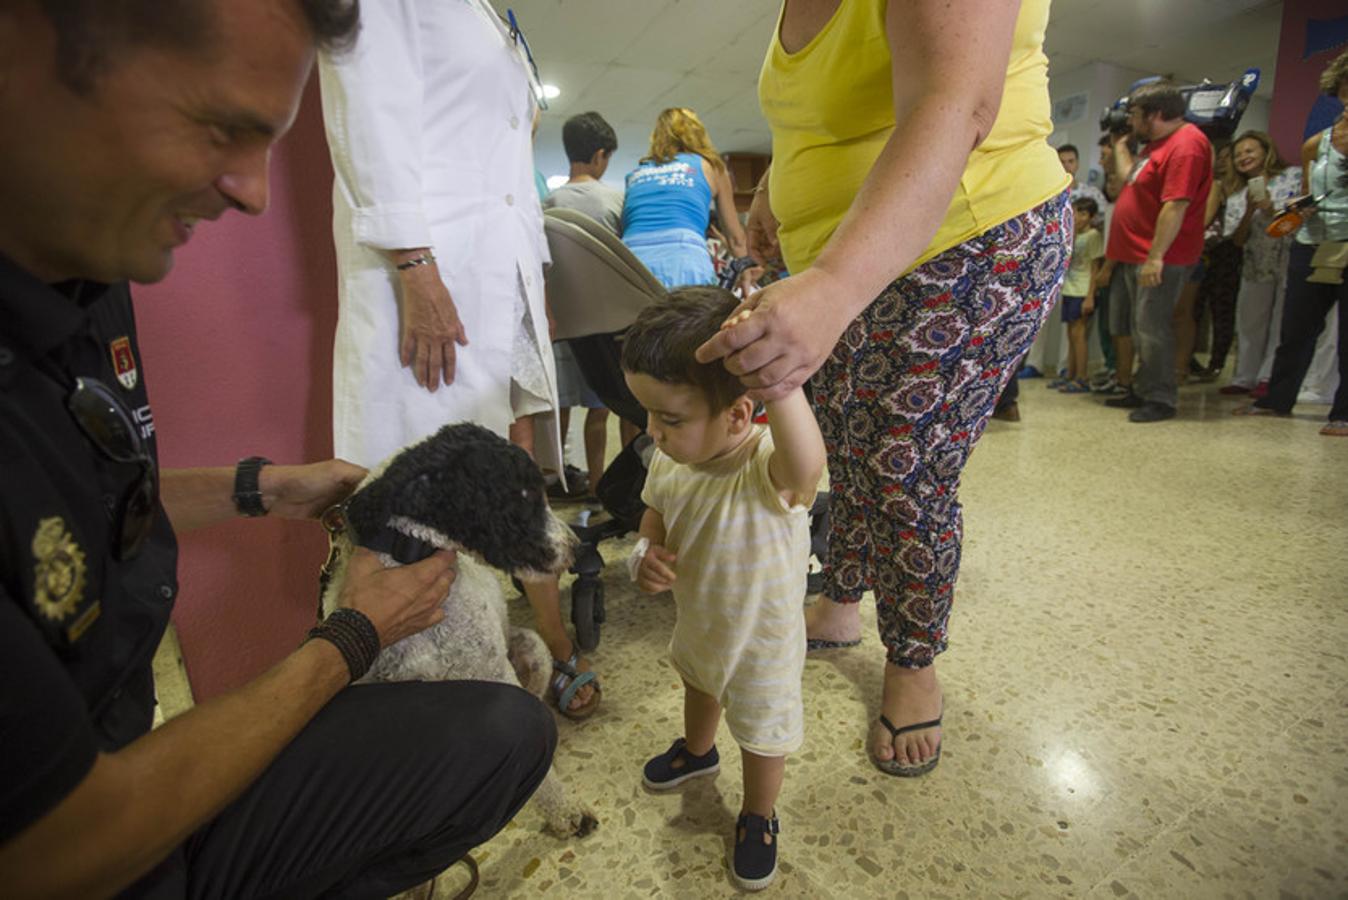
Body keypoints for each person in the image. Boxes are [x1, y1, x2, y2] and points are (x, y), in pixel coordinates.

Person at [0, 2, 556, 897]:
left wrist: (261, 488)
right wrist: (350, 637)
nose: (253, 192)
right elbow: (54, 851)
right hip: (89, 852)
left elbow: (78, 496)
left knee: (502, 735)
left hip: (127, 745)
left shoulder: (87, 279)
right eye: (219, 125)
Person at [697, 0, 1071, 777]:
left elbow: (956, 99)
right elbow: (817, 121)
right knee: (848, 443)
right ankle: (841, 596)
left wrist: (832, 283)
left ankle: (913, 658)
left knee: (904, 467)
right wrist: (774, 198)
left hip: (966, 232)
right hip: (847, 252)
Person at [318, 0, 602, 716]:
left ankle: (539, 648)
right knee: (413, 502)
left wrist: (531, 288)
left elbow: (503, 163)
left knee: (511, 479)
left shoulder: (490, 14)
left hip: (493, 280)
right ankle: (420, 703)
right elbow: (365, 105)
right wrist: (415, 266)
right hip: (423, 272)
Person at [623, 287, 825, 891]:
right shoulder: (670, 459)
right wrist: (644, 554)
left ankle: (759, 815)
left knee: (763, 732)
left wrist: (777, 385)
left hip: (762, 641)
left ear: (738, 414)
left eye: (671, 418)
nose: (654, 433)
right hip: (701, 621)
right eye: (649, 416)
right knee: (698, 682)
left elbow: (807, 465)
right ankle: (698, 750)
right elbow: (654, 516)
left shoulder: (766, 468)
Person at [1236, 50, 1348, 437]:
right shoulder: (1316, 144)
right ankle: (1277, 399)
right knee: (1297, 327)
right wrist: (1290, 211)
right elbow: (1306, 194)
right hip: (1312, 242)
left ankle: (1343, 411)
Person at [1101, 80, 1213, 422]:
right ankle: (1143, 388)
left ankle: (1162, 399)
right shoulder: (1155, 145)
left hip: (1162, 256)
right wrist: (1121, 145)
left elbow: (1176, 206)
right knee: (1139, 327)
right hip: (1135, 253)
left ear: (1158, 114)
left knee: (1153, 328)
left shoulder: (1187, 145)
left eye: (1135, 115)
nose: (1130, 120)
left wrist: (1155, 257)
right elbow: (1129, 182)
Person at [542, 111, 639, 495]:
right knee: (604, 407)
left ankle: (557, 479)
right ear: (601, 155)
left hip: (562, 319)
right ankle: (602, 483)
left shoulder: (548, 201)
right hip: (603, 320)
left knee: (560, 406)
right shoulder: (615, 199)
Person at [621, 107, 750, 289]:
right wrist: (745, 274)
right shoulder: (711, 167)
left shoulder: (636, 173)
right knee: (688, 317)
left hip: (630, 259)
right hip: (684, 256)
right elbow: (736, 238)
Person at [1220, 131, 1303, 395]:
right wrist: (1248, 210)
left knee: (1281, 322)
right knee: (1249, 322)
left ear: (1266, 151)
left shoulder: (1294, 177)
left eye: (1249, 151)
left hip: (1289, 260)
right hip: (1255, 265)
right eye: (1238, 154)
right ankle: (1244, 377)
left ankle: (1269, 377)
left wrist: (1270, 207)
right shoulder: (1236, 196)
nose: (1244, 157)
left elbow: (1301, 218)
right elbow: (1238, 240)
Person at [1053, 196, 1105, 393]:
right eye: (1074, 212)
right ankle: (1071, 375)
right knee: (1071, 334)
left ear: (1089, 216)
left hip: (1083, 291)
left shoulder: (1093, 236)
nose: (1076, 217)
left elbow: (1095, 268)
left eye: (1081, 213)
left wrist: (1091, 296)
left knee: (1079, 335)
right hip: (1069, 289)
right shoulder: (1073, 234)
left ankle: (1082, 377)